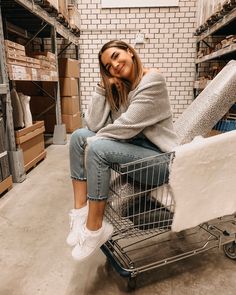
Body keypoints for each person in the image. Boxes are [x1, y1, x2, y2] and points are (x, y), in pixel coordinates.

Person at [67, 40, 179, 262]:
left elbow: (126, 127)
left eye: (117, 56)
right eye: (108, 65)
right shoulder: (120, 87)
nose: (115, 65)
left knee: (96, 147)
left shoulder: (152, 80)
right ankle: (80, 213)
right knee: (79, 137)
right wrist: (103, 88)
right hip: (135, 155)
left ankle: (95, 228)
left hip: (161, 161)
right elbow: (93, 124)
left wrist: (95, 144)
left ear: (129, 51)